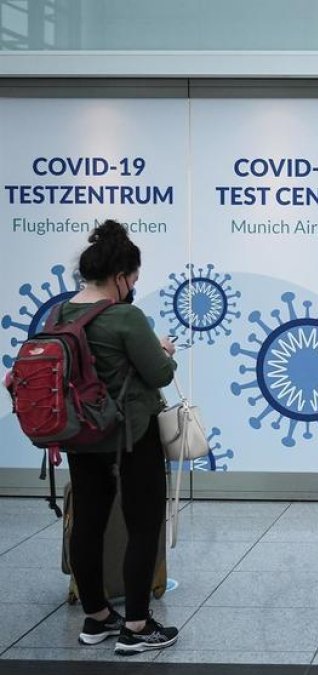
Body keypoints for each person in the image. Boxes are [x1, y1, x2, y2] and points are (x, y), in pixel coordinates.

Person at [62, 221, 180, 654]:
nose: (132, 287)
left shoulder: (63, 314)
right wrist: (164, 351)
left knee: (88, 523)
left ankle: (96, 618)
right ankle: (136, 624)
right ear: (120, 277)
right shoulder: (126, 317)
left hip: (80, 432)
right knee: (143, 523)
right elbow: (159, 373)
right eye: (133, 279)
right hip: (132, 433)